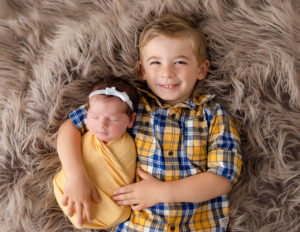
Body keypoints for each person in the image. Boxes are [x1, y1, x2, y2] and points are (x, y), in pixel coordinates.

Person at [56, 14, 243, 231]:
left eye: (180, 62)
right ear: (142, 71)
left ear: (201, 69)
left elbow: (222, 179)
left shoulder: (214, 116)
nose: (167, 72)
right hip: (140, 226)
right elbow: (69, 127)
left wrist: (161, 192)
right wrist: (76, 175)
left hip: (197, 225)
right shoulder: (129, 105)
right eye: (155, 62)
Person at [53, 77, 139, 229]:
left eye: (112, 119)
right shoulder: (84, 136)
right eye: (94, 117)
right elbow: (66, 130)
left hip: (113, 210)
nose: (101, 125)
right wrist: (76, 178)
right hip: (71, 186)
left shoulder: (132, 144)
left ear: (130, 120)